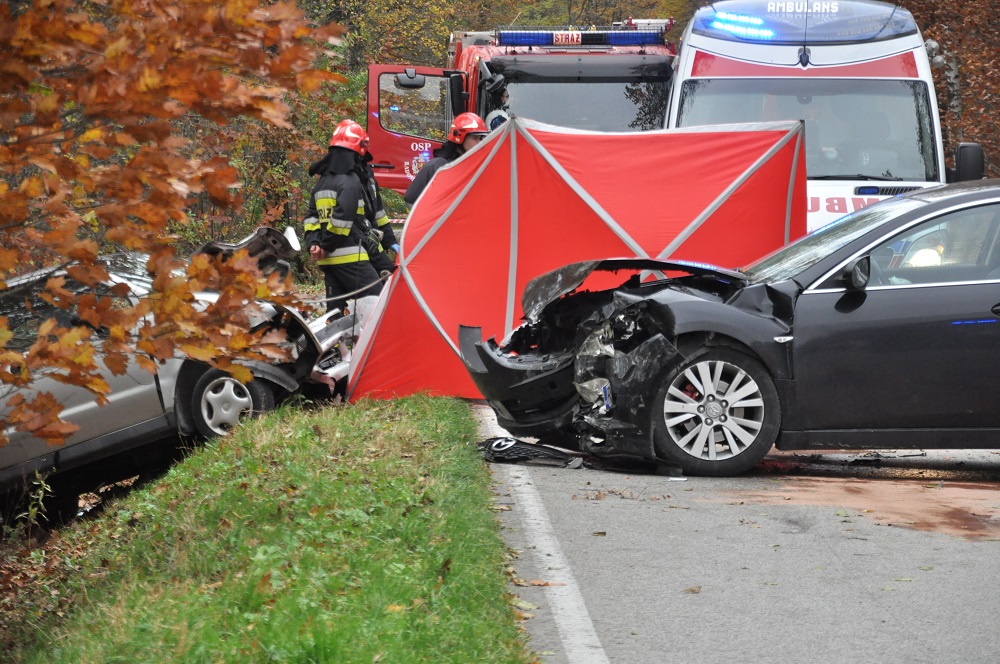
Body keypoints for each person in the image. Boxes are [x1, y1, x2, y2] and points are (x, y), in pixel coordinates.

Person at [303, 120, 384, 314]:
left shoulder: (322, 182)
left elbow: (311, 218)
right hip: (351, 258)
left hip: (329, 261)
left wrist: (313, 242)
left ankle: (336, 345)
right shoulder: (350, 180)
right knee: (378, 305)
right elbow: (342, 221)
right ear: (359, 150)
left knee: (336, 314)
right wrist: (324, 246)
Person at [403, 112, 489, 207]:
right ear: (459, 138)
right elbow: (411, 200)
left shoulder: (478, 166)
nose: (480, 143)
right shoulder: (436, 167)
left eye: (481, 139)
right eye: (475, 138)